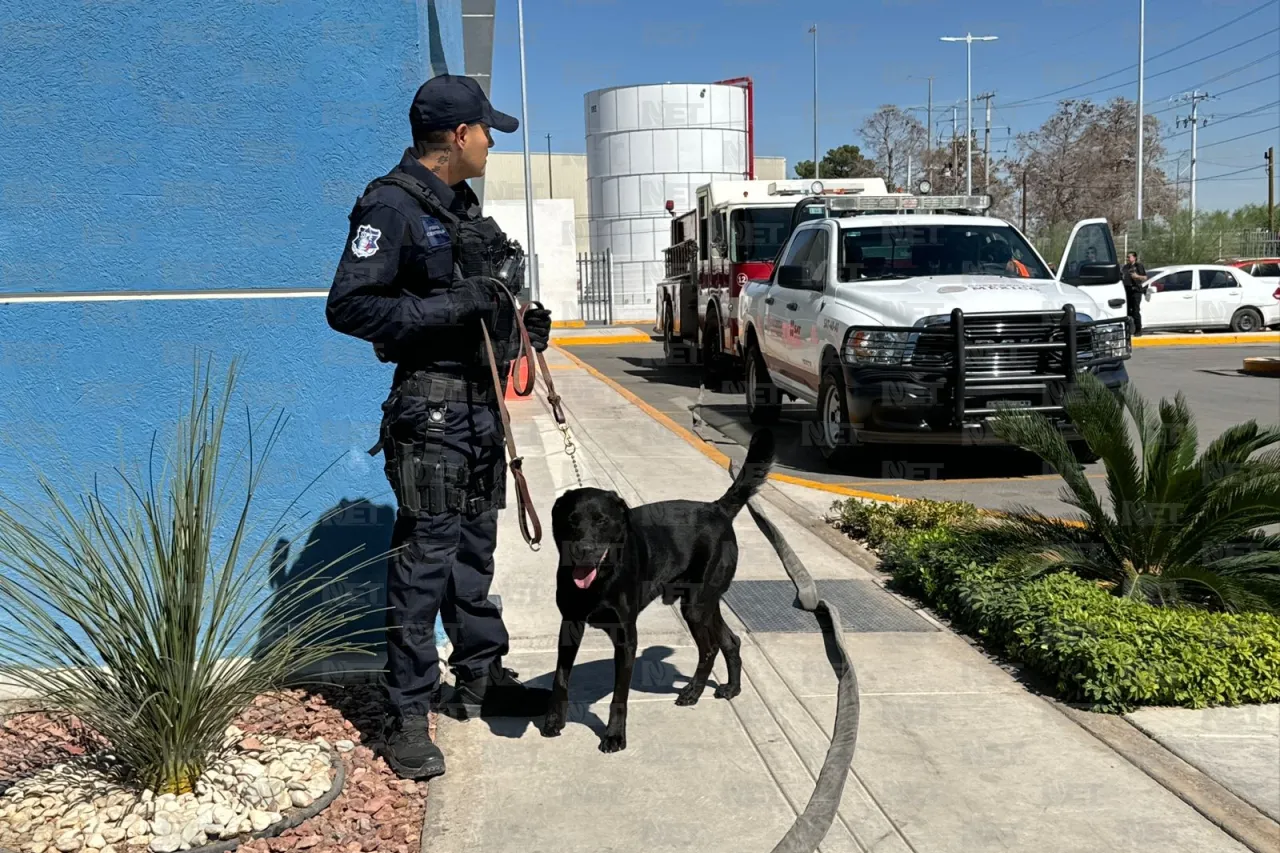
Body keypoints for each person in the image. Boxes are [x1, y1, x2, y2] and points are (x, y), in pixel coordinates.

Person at [325, 74, 553, 782]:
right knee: (424, 559)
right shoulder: (391, 206)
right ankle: (407, 713)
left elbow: (475, 305)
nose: (491, 142)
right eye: (486, 131)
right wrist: (454, 308)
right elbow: (350, 306)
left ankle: (482, 675)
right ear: (458, 135)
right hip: (429, 409)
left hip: (479, 405)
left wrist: (518, 327)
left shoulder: (460, 207)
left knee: (472, 549)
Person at [1121, 251, 1148, 336]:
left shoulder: (1138, 266)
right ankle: (1129, 329)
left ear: (1134, 257)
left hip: (1136, 290)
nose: (1128, 258)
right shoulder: (1126, 267)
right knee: (1128, 310)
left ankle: (1138, 329)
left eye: (1129, 257)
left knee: (1136, 310)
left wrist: (1137, 277)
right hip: (1128, 290)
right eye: (1127, 257)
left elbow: (1145, 277)